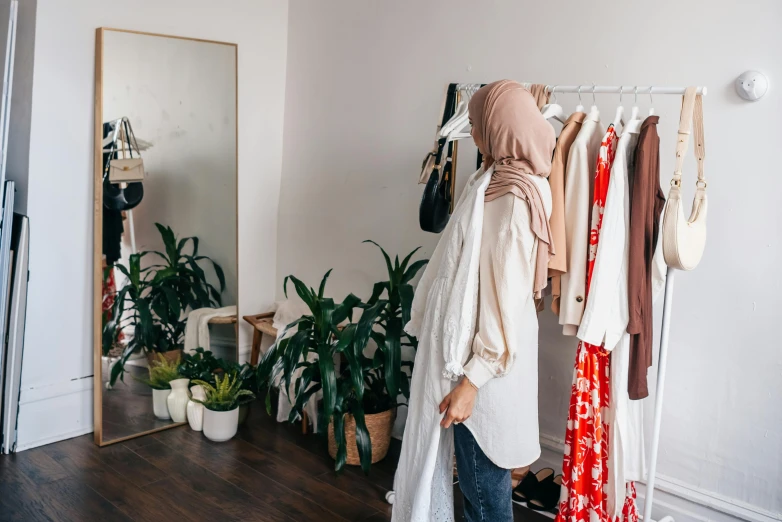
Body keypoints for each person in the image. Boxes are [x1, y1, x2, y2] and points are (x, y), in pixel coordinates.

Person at [391, 80, 555, 522]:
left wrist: (472, 380)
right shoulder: (496, 177)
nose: (474, 133)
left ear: (498, 126)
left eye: (478, 123)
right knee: (476, 485)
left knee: (483, 492)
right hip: (468, 356)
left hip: (481, 368)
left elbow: (503, 296)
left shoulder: (514, 198)